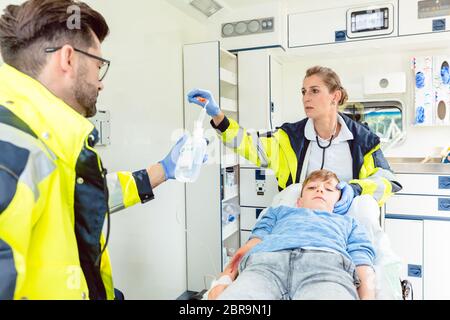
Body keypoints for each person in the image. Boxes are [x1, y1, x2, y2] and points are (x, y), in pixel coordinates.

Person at [0, 0, 195, 300]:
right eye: (98, 66)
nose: (100, 84)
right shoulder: (11, 149)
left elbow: (78, 198)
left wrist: (163, 170)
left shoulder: (44, 138)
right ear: (68, 59)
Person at [187, 66, 402, 214]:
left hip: (344, 223)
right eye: (303, 91)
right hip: (299, 222)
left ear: (335, 96)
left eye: (314, 91)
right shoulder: (290, 137)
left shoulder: (363, 140)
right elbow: (249, 144)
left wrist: (354, 190)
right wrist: (218, 116)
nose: (306, 97)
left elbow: (388, 182)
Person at [209, 169, 376, 300]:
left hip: (326, 269)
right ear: (299, 200)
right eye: (311, 187)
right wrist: (225, 279)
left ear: (340, 201)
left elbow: (362, 263)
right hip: (265, 266)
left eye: (329, 189)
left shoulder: (350, 223)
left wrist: (368, 297)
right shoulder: (278, 212)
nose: (319, 189)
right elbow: (252, 245)